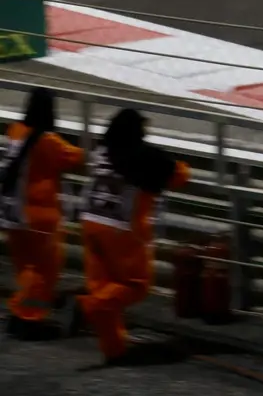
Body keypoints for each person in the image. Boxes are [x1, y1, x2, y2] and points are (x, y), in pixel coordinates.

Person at [68, 108, 190, 364]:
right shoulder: (143, 155)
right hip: (121, 227)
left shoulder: (102, 151)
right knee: (135, 286)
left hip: (90, 220)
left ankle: (114, 348)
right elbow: (178, 175)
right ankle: (89, 306)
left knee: (104, 287)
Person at [1, 87, 85, 339]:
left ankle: (23, 312)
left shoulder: (15, 131)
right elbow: (75, 157)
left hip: (12, 211)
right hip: (39, 214)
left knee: (26, 267)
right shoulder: (49, 141)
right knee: (45, 271)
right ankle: (27, 316)